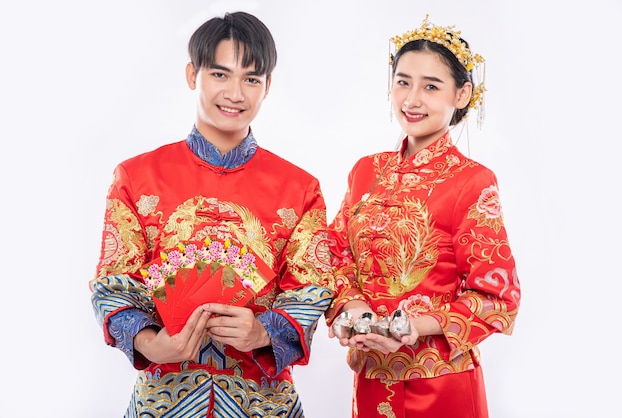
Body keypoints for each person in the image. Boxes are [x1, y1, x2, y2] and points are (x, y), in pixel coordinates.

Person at [89, 11, 333, 417]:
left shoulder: (300, 188)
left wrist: (261, 332)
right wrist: (151, 343)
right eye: (220, 75)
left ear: (267, 86)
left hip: (262, 402)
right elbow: (114, 281)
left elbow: (312, 289)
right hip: (162, 400)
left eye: (251, 79)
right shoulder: (136, 176)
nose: (236, 93)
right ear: (192, 74)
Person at [324, 15, 521, 417]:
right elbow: (332, 256)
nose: (412, 99)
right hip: (371, 379)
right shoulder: (366, 171)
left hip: (441, 384)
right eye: (403, 82)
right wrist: (354, 308)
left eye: (431, 86)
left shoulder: (471, 181)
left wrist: (416, 326)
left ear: (462, 94)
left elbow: (498, 297)